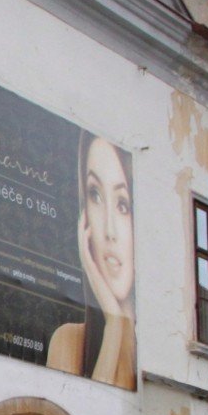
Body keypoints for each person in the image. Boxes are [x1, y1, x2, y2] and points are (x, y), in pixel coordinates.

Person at [47, 132, 137, 389]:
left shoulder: (152, 353)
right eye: (95, 195)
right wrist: (114, 326)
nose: (109, 231)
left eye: (122, 205)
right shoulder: (68, 342)